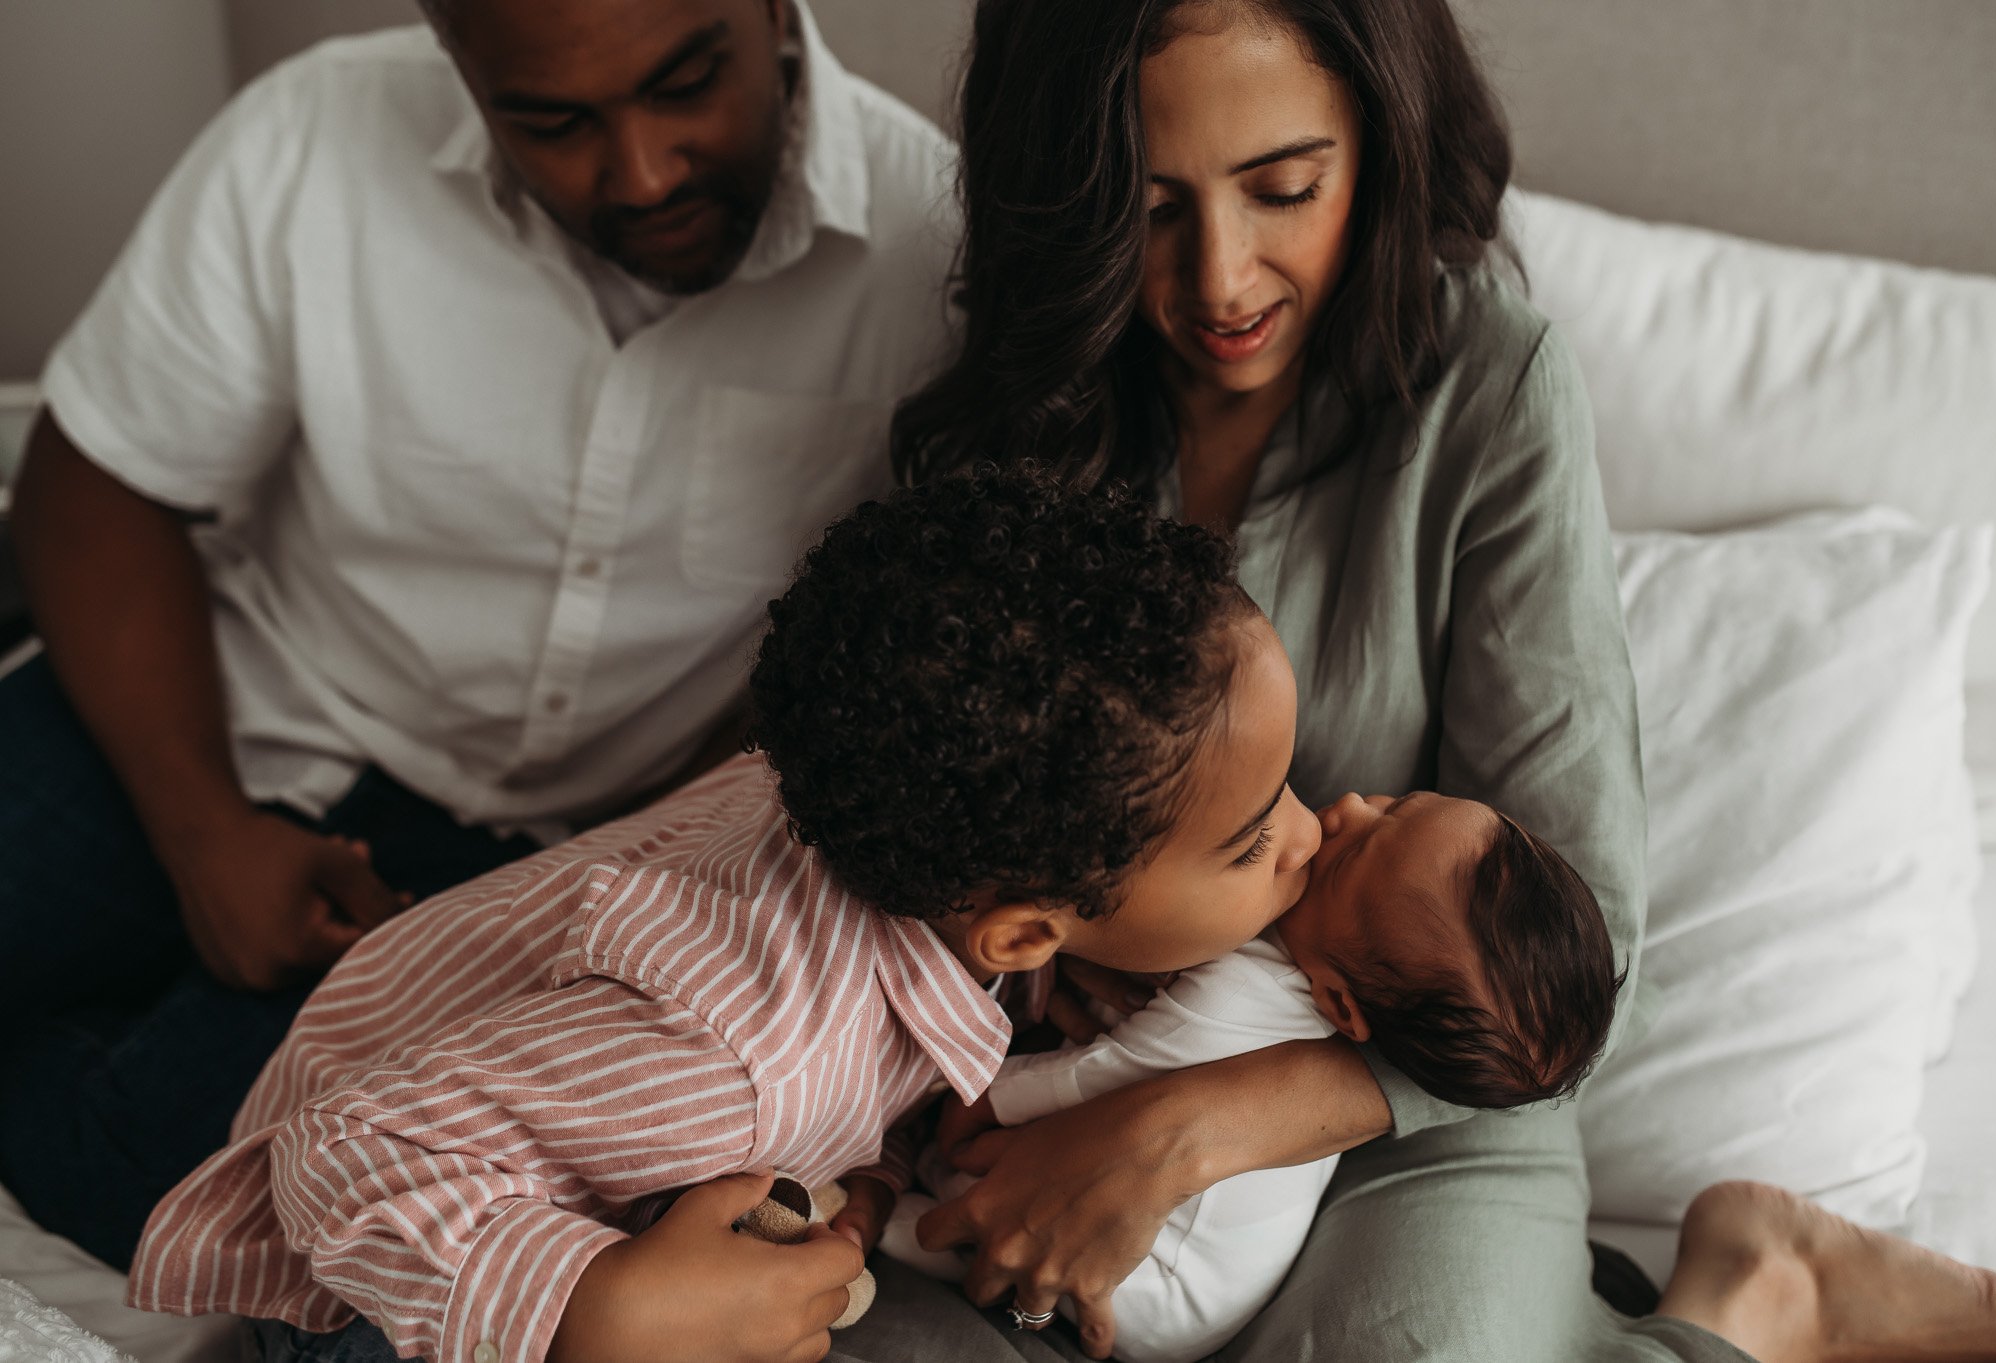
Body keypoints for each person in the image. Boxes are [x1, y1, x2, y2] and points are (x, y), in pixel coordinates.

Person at [863, 2, 1996, 1361]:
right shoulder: (1026, 398)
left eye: (1285, 189)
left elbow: (1590, 929)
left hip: (1399, 1101)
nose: (1221, 281)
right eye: (1151, 208)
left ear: (1381, 144)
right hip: (1038, 1093)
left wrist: (1186, 1125)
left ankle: (1755, 1297)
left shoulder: (1485, 384)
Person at [0, 0, 955, 1270]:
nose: (642, 171)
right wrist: (204, 833)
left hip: (528, 868)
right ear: (457, 61)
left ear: (774, 12)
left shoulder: (936, 250)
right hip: (211, 713)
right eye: (551, 123)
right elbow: (92, 486)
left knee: (209, 1205)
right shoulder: (314, 131)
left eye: (686, 84)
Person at [131, 470, 1321, 1363]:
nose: (1311, 832)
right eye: (1253, 834)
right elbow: (342, 1156)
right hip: (372, 1284)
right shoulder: (728, 1054)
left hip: (520, 1079)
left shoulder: (888, 809)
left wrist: (868, 1159)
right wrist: (598, 1310)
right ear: (1017, 929)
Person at [879, 785, 1623, 1363]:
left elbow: (1106, 1073)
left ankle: (888, 1229)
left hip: (1169, 1293)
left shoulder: (1245, 992)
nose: (1350, 807)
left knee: (977, 1199)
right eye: (1399, 803)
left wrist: (986, 1098)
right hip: (1233, 1265)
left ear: (1341, 1000)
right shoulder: (1328, 967)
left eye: (1353, 853)